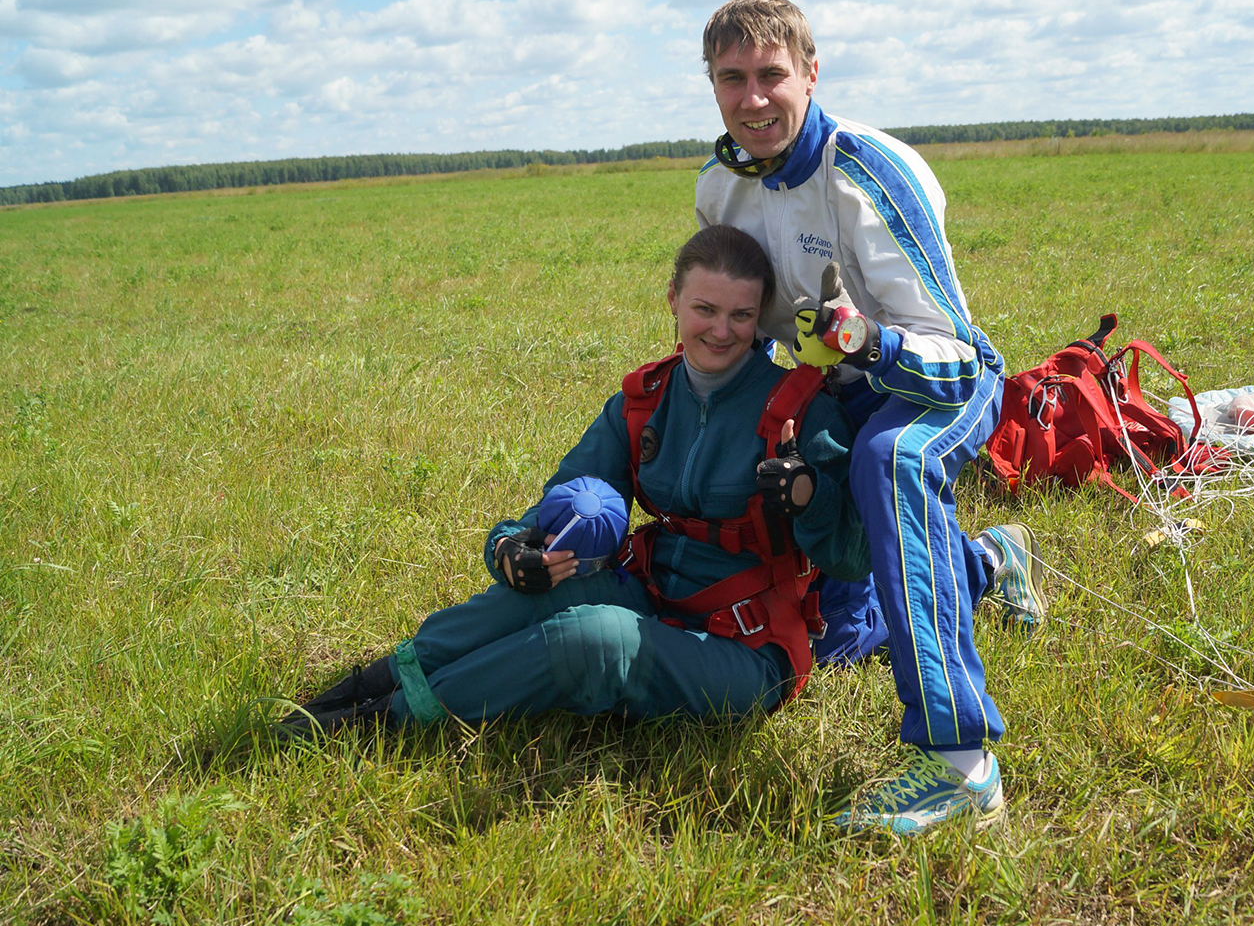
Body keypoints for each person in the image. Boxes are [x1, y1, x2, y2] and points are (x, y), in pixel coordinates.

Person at [281, 225, 869, 732]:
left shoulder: (798, 410)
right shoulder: (646, 400)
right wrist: (512, 547)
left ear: (759, 314)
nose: (721, 331)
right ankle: (378, 678)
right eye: (705, 310)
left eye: (741, 315)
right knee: (544, 593)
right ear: (673, 300)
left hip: (748, 647)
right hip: (655, 597)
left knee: (594, 638)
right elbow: (568, 499)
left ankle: (388, 721)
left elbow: (854, 557)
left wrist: (807, 498)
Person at [694, 0, 1047, 834]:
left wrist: (868, 347)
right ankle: (989, 563)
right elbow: (747, 335)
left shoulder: (866, 169)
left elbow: (959, 353)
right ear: (712, 87)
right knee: (847, 635)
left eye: (771, 75)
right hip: (830, 391)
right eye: (731, 79)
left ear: (810, 74)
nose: (753, 98)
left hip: (934, 384)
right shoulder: (719, 188)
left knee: (889, 461)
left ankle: (961, 764)